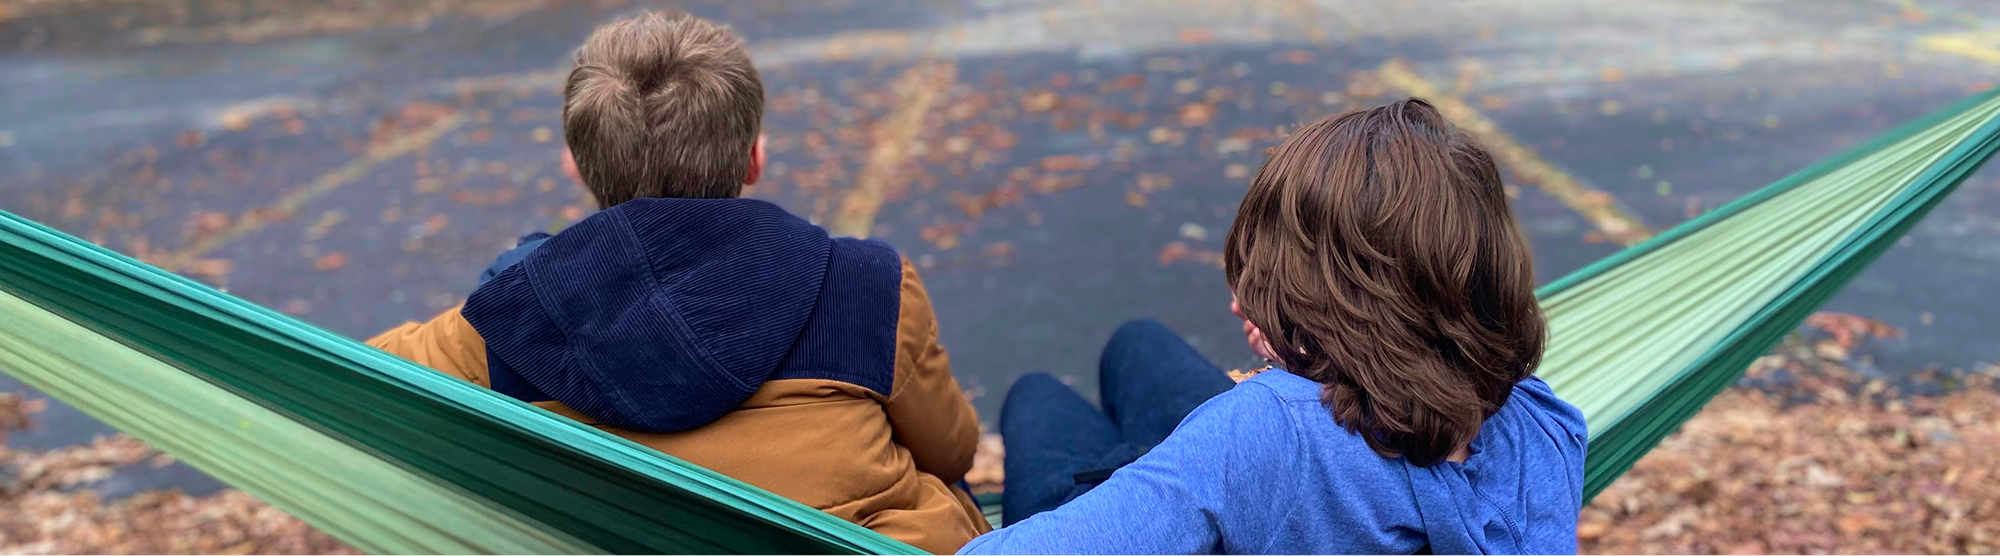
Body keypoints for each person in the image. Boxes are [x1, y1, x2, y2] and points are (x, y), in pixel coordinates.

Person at [363, 12, 990, 553]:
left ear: (577, 167)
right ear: (754, 159)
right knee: (1035, 409)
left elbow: (362, 379)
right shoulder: (865, 286)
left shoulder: (517, 313)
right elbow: (952, 451)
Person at [963, 99, 1588, 554]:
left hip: (1206, 495)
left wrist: (1279, 390)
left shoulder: (1263, 433)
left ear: (1330, 306)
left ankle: (1144, 469)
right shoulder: (1548, 428)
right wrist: (1311, 358)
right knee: (1139, 343)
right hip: (1276, 468)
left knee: (1037, 396)